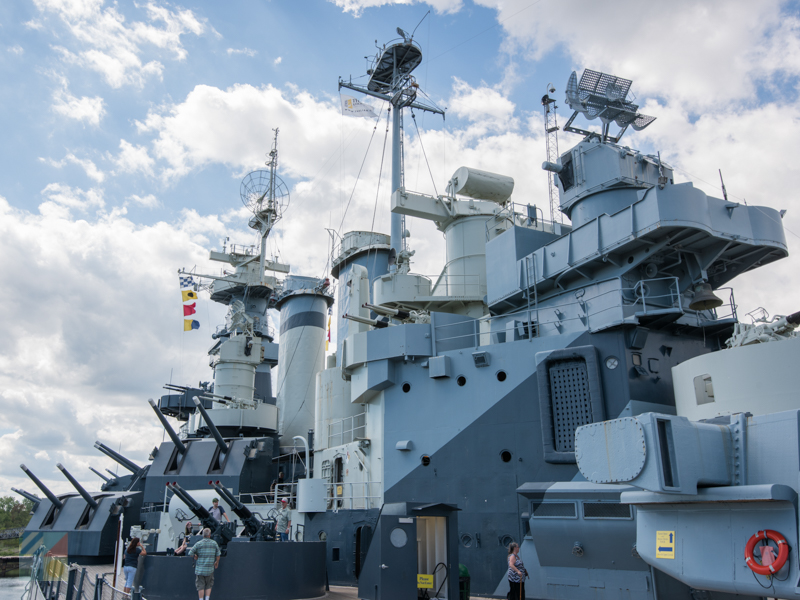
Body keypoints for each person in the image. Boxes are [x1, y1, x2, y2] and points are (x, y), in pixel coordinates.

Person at [186, 528, 221, 600]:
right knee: (209, 585)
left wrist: (195, 555)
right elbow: (218, 554)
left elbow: (190, 553)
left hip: (200, 570)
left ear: (203, 535)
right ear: (210, 535)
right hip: (210, 569)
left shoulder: (199, 543)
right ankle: (207, 598)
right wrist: (217, 562)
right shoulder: (214, 543)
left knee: (200, 586)